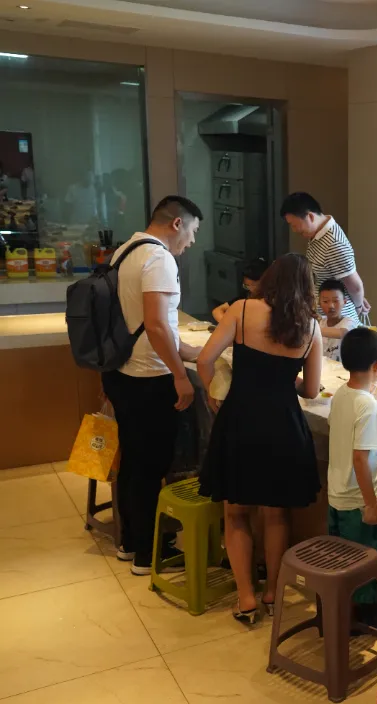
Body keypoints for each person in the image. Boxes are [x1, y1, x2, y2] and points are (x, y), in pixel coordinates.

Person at [197, 253, 323, 624]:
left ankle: (247, 597)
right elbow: (311, 390)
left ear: (270, 279)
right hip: (284, 425)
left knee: (236, 511)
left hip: (241, 420)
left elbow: (205, 360)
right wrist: (285, 378)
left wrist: (213, 392)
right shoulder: (310, 328)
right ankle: (272, 592)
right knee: (276, 512)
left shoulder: (241, 310)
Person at [103, 196, 203, 575]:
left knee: (133, 460)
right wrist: (180, 374)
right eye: (192, 231)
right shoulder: (160, 258)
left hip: (120, 372)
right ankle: (149, 555)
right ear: (177, 224)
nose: (191, 241)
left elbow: (144, 323)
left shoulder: (125, 250)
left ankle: (130, 543)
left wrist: (190, 352)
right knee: (152, 465)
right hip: (149, 378)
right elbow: (157, 324)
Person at [328, 327, 377, 623]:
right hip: (360, 502)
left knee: (341, 561)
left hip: (338, 496)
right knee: (363, 567)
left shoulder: (342, 394)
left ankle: (341, 618)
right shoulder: (370, 408)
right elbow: (360, 459)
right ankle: (360, 624)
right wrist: (372, 504)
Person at [280, 192, 369, 323]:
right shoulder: (317, 234)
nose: (294, 230)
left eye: (294, 225)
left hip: (336, 322)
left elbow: (355, 287)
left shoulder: (333, 244)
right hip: (323, 318)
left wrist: (359, 305)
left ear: (310, 216)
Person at [212, 257, 267, 324]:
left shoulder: (271, 300)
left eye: (255, 286)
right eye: (247, 286)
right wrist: (229, 324)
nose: (252, 290)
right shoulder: (246, 296)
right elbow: (217, 311)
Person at [318, 278, 358, 362]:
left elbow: (343, 333)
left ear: (344, 302)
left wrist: (313, 330)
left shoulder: (349, 322)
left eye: (335, 301)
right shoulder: (321, 322)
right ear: (319, 303)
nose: (331, 306)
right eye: (325, 301)